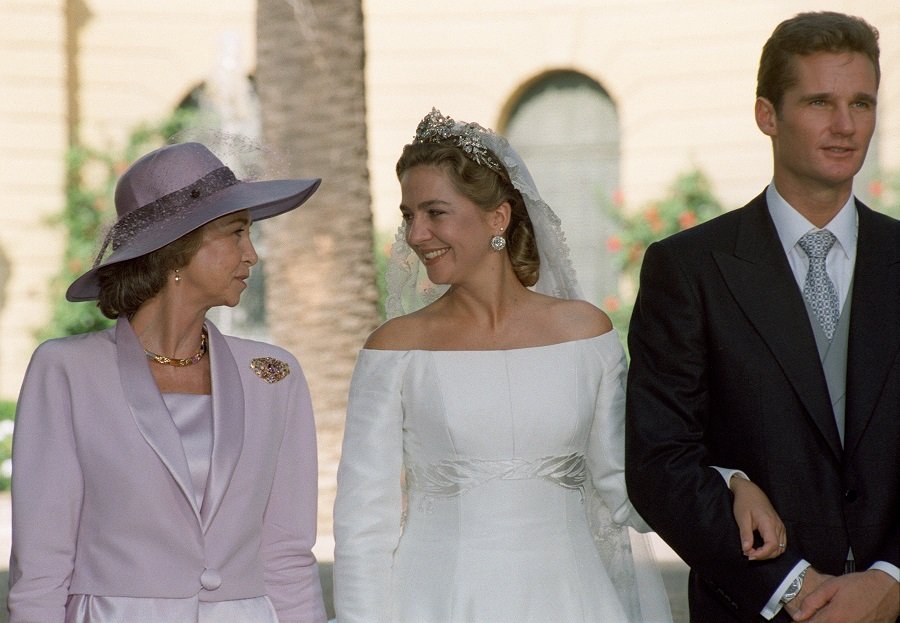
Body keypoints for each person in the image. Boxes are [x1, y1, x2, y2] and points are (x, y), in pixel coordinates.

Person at [332, 109, 780, 623]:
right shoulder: (394, 350)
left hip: (573, 602)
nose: (416, 234)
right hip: (435, 601)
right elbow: (365, 521)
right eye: (409, 215)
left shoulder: (585, 336)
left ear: (497, 218)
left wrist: (729, 484)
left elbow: (627, 485)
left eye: (435, 212)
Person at [625, 11, 900, 623]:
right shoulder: (689, 270)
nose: (845, 125)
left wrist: (891, 581)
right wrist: (795, 590)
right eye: (819, 102)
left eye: (862, 102)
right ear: (766, 115)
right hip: (755, 609)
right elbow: (659, 461)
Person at [8, 141, 329, 623]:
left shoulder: (273, 376)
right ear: (177, 248)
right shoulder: (66, 372)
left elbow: (287, 556)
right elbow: (40, 566)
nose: (252, 255)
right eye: (237, 233)